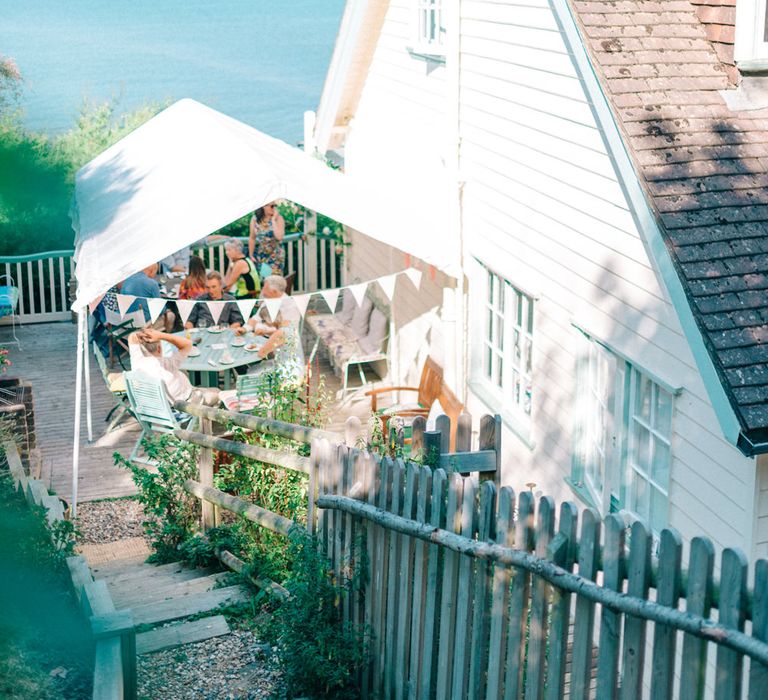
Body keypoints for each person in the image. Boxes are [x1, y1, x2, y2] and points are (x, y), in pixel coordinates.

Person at [127, 328, 218, 405]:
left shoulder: (137, 362)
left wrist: (144, 333)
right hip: (184, 405)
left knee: (201, 389)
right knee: (217, 392)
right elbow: (188, 344)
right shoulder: (169, 364)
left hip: (158, 411)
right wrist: (161, 335)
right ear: (159, 348)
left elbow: (132, 337)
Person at [238, 275, 303, 382]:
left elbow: (281, 335)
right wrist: (245, 329)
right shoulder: (269, 300)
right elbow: (257, 318)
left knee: (249, 373)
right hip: (277, 355)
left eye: (264, 287)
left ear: (274, 291)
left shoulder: (290, 307)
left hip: (288, 370)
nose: (262, 291)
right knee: (248, 366)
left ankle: (252, 390)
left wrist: (262, 348)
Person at [121, 263, 175, 331]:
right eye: (155, 273)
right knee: (171, 315)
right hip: (141, 325)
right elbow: (160, 309)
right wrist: (166, 309)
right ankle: (165, 339)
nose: (154, 276)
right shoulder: (152, 283)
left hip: (125, 323)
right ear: (151, 271)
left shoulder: (127, 279)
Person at [249, 202, 285, 277]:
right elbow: (252, 238)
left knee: (274, 282)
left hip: (276, 256)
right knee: (264, 281)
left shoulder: (279, 218)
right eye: (272, 206)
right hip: (262, 255)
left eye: (275, 206)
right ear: (263, 206)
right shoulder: (255, 219)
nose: (274, 208)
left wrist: (273, 220)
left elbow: (279, 237)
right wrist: (251, 255)